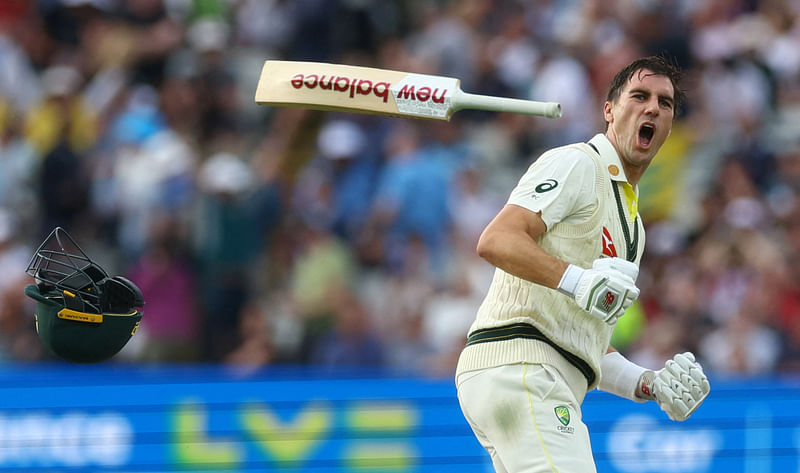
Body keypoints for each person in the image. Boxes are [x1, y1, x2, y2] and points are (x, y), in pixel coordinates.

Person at [455, 56, 711, 473]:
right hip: (523, 368)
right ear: (609, 109)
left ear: (669, 125)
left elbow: (587, 343)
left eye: (664, 104)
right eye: (639, 96)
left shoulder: (633, 226)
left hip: (542, 375)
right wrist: (575, 280)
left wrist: (647, 383)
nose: (652, 108)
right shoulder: (578, 163)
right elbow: (496, 240)